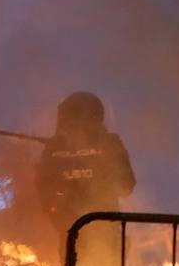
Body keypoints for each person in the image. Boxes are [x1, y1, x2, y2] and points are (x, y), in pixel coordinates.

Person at [34, 92, 136, 238]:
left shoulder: (54, 148)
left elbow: (126, 185)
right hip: (82, 231)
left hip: (82, 233)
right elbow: (127, 186)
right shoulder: (54, 147)